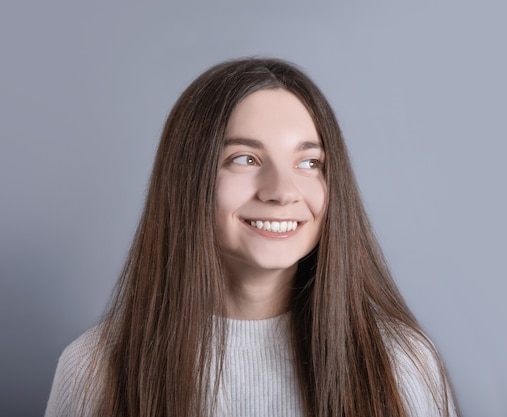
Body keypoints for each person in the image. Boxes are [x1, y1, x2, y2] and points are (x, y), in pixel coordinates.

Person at [45, 58, 459, 417]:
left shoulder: (402, 361)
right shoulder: (94, 367)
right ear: (187, 180)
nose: (281, 191)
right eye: (245, 159)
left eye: (309, 162)